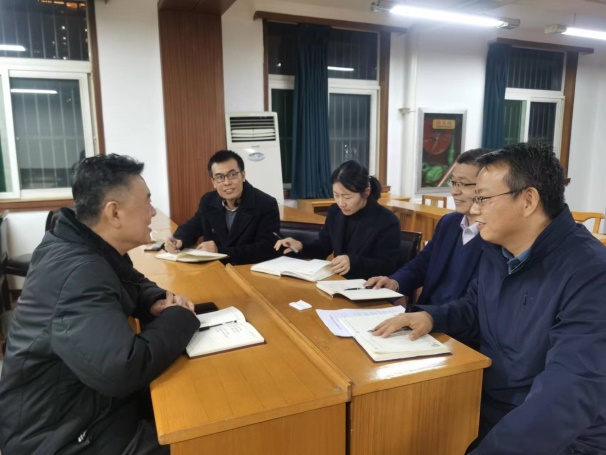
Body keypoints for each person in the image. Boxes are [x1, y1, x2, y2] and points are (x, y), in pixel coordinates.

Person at [373, 142, 606, 454]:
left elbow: (568, 391)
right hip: (493, 404)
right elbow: (476, 306)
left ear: (528, 200)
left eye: (482, 198)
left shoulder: (591, 273)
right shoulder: (499, 248)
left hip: (560, 437)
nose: (473, 209)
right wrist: (431, 316)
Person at [0, 154, 200, 455]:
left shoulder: (80, 243)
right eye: (147, 201)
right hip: (59, 436)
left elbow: (131, 280)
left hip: (83, 405)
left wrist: (156, 300)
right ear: (114, 213)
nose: (152, 211)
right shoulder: (79, 272)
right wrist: (180, 317)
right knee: (198, 437)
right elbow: (123, 370)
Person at [365, 148, 491, 309]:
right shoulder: (449, 223)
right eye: (453, 182)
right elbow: (423, 263)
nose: (454, 191)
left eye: (464, 184)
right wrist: (395, 282)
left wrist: (429, 317)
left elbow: (477, 305)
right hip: (424, 313)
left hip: (455, 321)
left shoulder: (496, 236)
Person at [274, 160, 401, 279]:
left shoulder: (387, 220)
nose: (341, 203)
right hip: (337, 282)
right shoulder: (335, 212)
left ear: (366, 192)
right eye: (336, 195)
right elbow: (323, 247)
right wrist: (301, 247)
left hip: (367, 286)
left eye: (347, 197)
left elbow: (387, 266)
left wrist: (353, 262)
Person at [165, 150, 280, 265]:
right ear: (213, 182)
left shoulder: (265, 203)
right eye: (219, 177)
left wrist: (219, 252)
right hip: (215, 269)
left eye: (232, 175)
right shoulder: (208, 200)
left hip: (246, 269)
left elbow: (267, 248)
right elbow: (193, 226)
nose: (226, 182)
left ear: (243, 175)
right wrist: (179, 239)